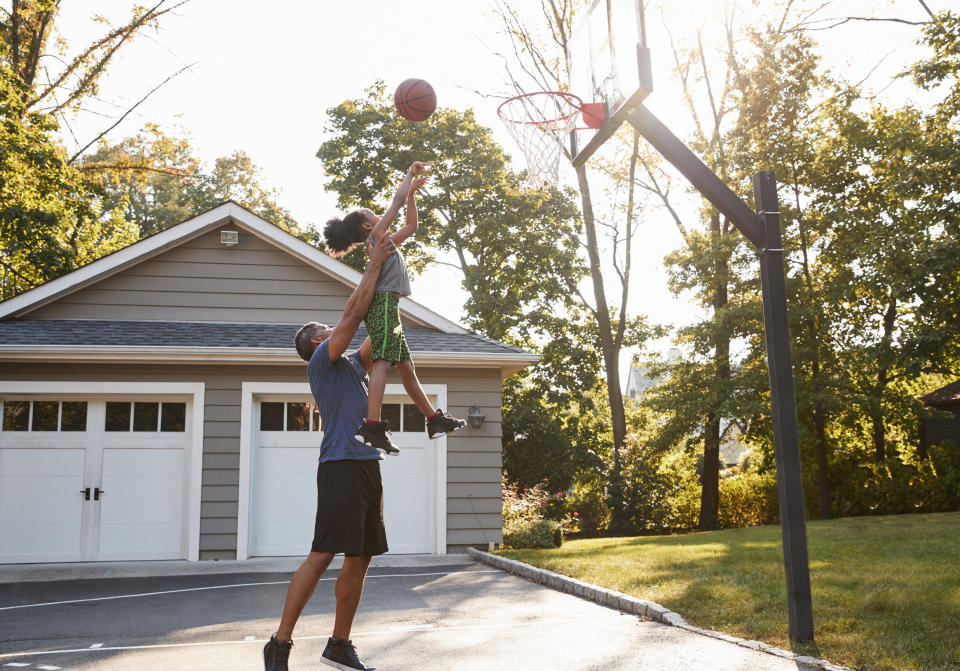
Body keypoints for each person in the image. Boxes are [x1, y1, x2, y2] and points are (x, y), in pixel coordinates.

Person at [260, 230, 400, 671]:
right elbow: (353, 312)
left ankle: (339, 643)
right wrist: (373, 262)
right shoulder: (322, 361)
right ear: (316, 344)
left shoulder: (354, 364)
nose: (331, 328)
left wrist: (391, 274)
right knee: (322, 554)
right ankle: (279, 643)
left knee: (361, 558)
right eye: (325, 330)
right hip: (339, 464)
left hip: (366, 465)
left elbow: (377, 324)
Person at [322, 160, 466, 454]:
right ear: (367, 225)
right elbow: (396, 202)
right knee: (383, 362)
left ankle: (434, 420)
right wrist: (409, 176)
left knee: (407, 368)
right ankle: (372, 424)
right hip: (383, 304)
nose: (379, 215)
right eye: (374, 214)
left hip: (390, 306)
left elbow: (411, 226)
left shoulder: (386, 242)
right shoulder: (376, 238)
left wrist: (412, 193)